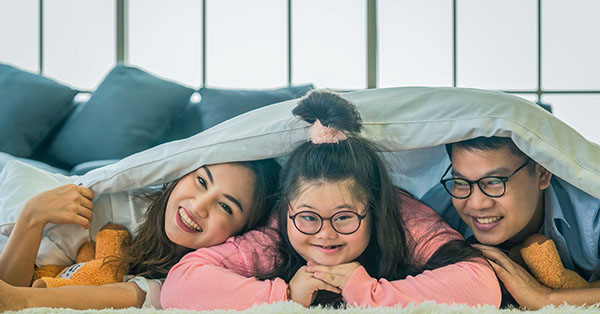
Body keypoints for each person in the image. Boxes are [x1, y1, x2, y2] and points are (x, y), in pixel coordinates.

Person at [160, 90, 501, 310]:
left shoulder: (403, 218)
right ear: (287, 210)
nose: (325, 235)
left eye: (343, 218)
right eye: (309, 218)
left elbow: (481, 282)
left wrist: (367, 292)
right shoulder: (278, 232)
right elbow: (181, 282)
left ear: (373, 209)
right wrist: (285, 296)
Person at [0, 159, 280, 310]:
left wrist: (24, 300)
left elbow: (135, 295)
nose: (198, 206)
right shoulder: (119, 207)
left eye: (225, 206)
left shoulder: (202, 271)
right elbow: (9, 282)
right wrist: (31, 215)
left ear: (242, 233)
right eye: (201, 181)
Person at [438, 136, 600, 309]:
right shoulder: (437, 213)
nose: (475, 204)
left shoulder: (592, 211)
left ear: (543, 174)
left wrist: (545, 299)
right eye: (461, 183)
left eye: (494, 182)